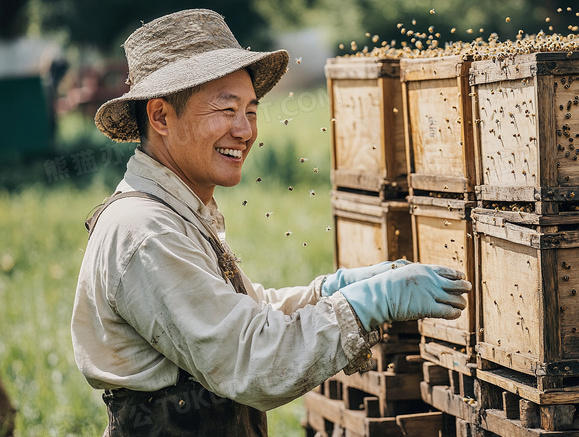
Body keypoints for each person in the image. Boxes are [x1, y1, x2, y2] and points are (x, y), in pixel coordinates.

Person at [71, 8, 471, 436]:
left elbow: (242, 314)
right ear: (161, 117)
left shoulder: (176, 212)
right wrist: (365, 305)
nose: (244, 131)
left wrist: (330, 291)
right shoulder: (145, 231)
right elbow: (251, 359)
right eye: (226, 110)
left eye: (251, 111)